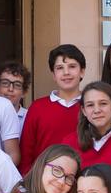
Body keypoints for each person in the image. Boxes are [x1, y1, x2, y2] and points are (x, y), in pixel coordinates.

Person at [17, 44, 85, 173]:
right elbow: (26, 154)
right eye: (60, 68)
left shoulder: (91, 106)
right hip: (43, 183)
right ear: (53, 74)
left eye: (72, 66)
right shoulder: (37, 108)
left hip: (83, 182)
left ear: (82, 71)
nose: (66, 73)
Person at [0, 60, 32, 131]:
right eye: (5, 83)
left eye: (17, 85)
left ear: (24, 92)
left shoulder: (30, 118)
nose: (10, 89)